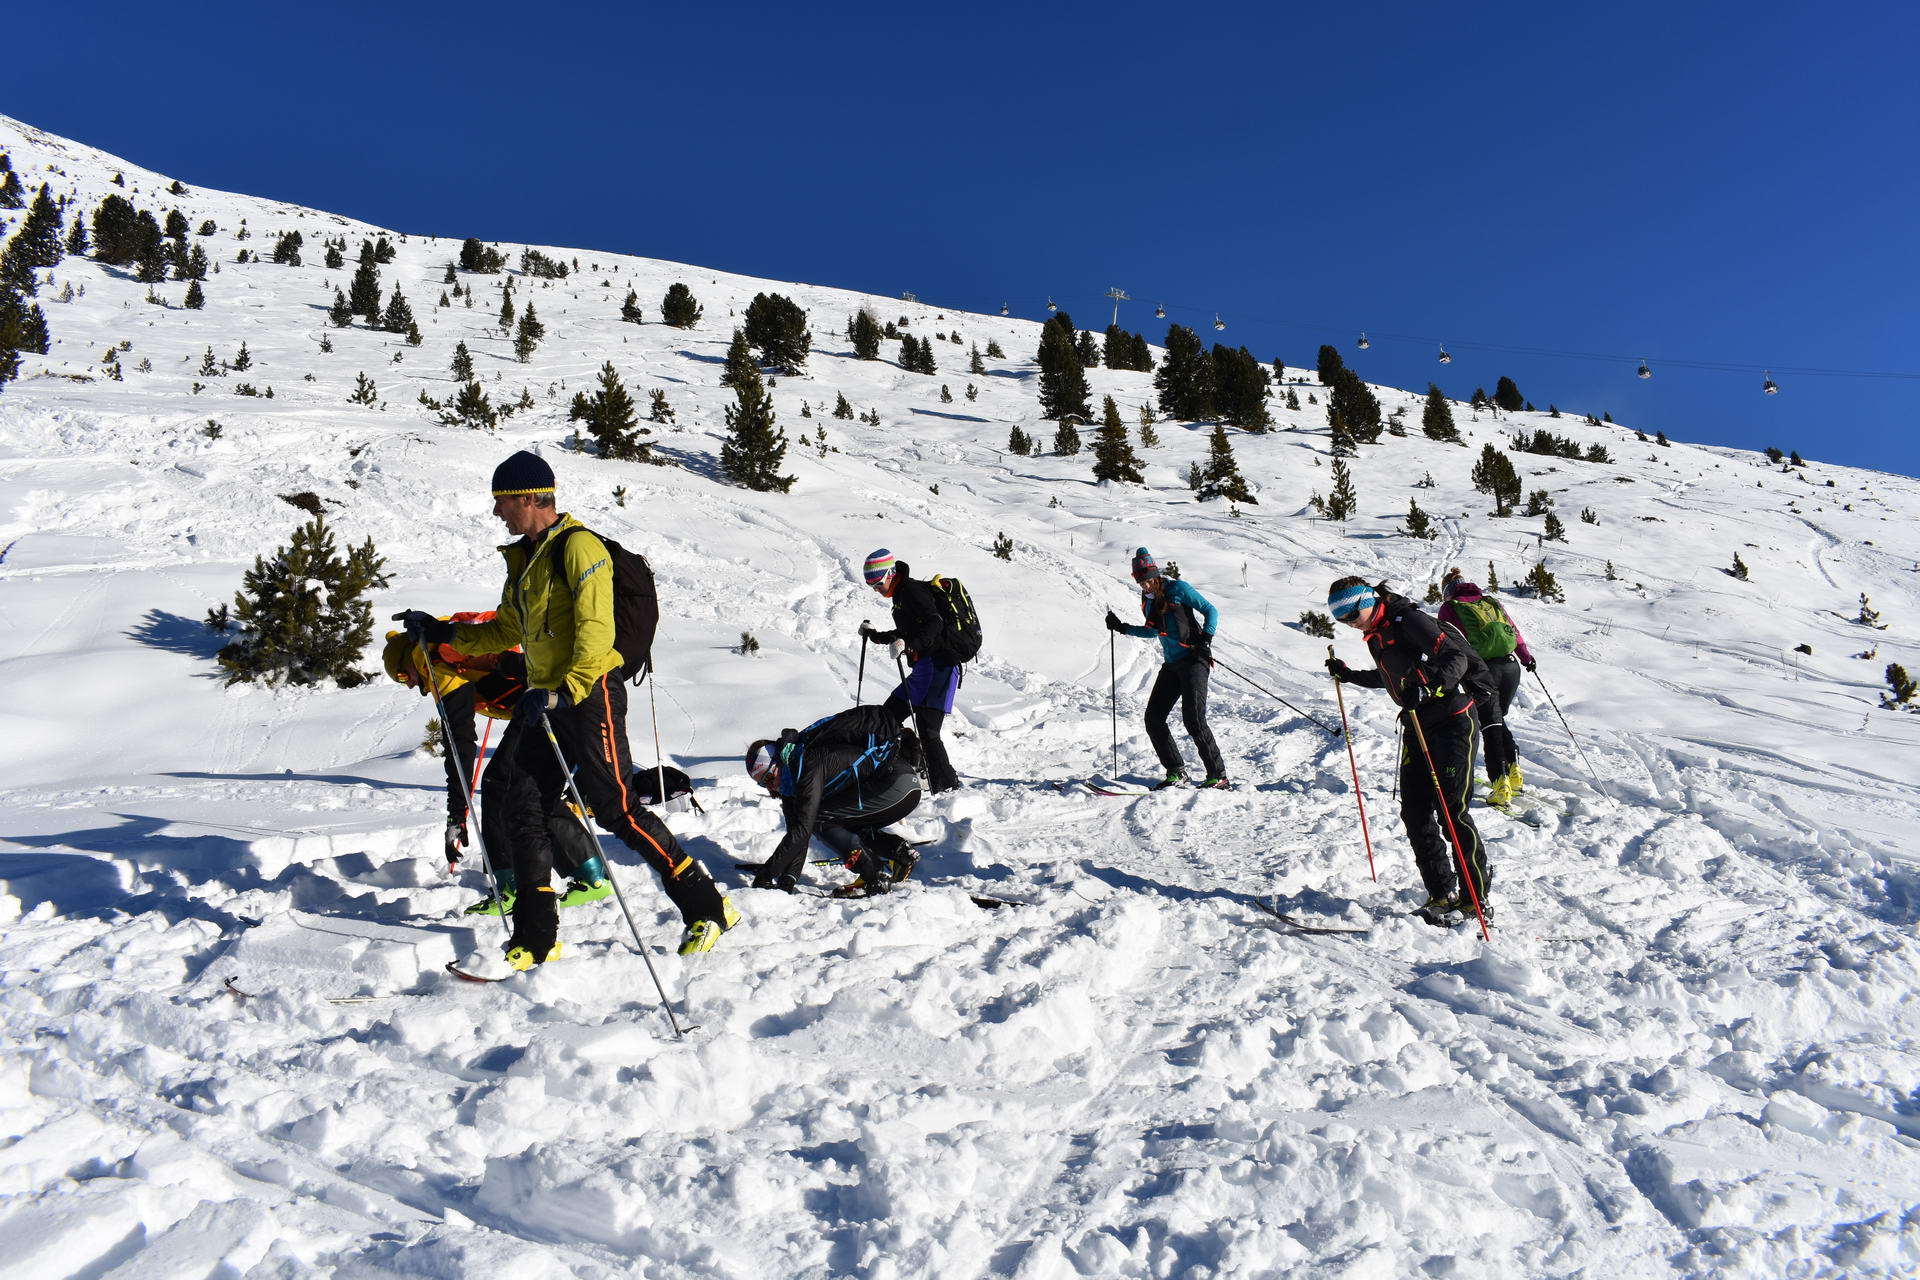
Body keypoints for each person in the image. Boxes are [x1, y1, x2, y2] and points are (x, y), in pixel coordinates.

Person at [395, 450, 737, 970]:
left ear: (530, 498)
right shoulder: (527, 559)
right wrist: (446, 634)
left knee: (616, 808)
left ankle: (708, 905)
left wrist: (564, 690)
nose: (497, 514)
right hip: (546, 696)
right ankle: (537, 937)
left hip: (589, 691)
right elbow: (507, 628)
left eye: (502, 502)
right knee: (518, 800)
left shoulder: (580, 547)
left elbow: (596, 632)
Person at [380, 617, 610, 916]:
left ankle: (512, 886)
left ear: (408, 659)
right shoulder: (442, 652)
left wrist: (457, 814)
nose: (410, 684)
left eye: (401, 675)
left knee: (500, 784)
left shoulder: (434, 663)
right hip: (562, 699)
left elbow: (459, 742)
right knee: (533, 789)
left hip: (548, 702)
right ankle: (589, 874)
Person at [1324, 577, 1493, 925]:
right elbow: (1394, 676)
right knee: (1415, 813)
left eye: (1353, 611)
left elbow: (1455, 659)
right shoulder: (1378, 630)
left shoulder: (1408, 620)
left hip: (1452, 720)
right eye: (1342, 617)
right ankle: (1441, 893)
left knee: (1451, 812)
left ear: (1370, 599)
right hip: (1418, 724)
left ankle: (1475, 900)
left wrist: (1429, 689)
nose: (1350, 621)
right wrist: (1350, 675)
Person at [742, 705, 923, 896]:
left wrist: (766, 874)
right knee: (836, 820)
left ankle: (873, 876)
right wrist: (788, 880)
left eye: (769, 778)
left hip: (896, 786)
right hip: (899, 786)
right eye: (762, 784)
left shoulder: (806, 766)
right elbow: (796, 835)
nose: (770, 787)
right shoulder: (791, 779)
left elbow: (804, 829)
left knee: (821, 818)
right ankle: (897, 851)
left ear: (778, 762)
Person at [1103, 547, 1227, 789]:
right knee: (1153, 718)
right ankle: (1176, 771)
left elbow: (1211, 610)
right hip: (1172, 665)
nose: (1145, 586)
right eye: (1141, 583)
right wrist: (1122, 627)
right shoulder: (1149, 600)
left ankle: (1218, 776)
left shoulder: (1178, 589)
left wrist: (1206, 639)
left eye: (1148, 581)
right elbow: (1152, 631)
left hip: (1194, 661)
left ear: (1156, 575)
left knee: (1194, 720)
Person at [857, 548, 964, 793]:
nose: (875, 587)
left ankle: (947, 789)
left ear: (890, 573)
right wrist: (876, 637)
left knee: (928, 729)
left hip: (941, 666)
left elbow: (934, 623)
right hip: (924, 670)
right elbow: (907, 632)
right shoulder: (901, 597)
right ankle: (905, 769)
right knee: (887, 716)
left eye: (877, 581)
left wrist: (910, 644)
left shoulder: (912, 591)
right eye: (870, 583)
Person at [1437, 580, 1535, 806]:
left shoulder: (1450, 608)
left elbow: (1445, 641)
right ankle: (1514, 774)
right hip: (1511, 667)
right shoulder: (1489, 603)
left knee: (1490, 724)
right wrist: (1526, 658)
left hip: (1483, 670)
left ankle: (1500, 785)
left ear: (1448, 593)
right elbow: (1514, 631)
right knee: (1497, 720)